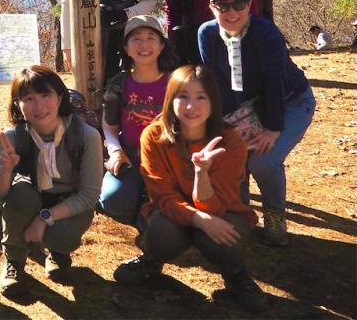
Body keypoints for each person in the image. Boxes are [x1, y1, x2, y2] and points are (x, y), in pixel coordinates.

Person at [113, 65, 268, 314]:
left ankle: (236, 274)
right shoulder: (153, 136)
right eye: (182, 97)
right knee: (162, 229)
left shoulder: (230, 141)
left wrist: (201, 173)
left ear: (213, 101)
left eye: (200, 97)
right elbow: (161, 195)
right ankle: (152, 261)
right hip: (175, 214)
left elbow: (218, 206)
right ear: (170, 100)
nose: (191, 106)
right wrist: (199, 219)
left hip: (221, 211)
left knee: (227, 236)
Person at [199, 0, 315, 246]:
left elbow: (275, 82)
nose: (231, 12)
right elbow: (215, 83)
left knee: (263, 160)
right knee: (233, 156)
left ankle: (275, 217)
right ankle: (240, 215)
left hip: (290, 102)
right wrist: (227, 127)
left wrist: (273, 128)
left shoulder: (265, 33)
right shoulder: (206, 33)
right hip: (244, 107)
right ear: (211, 8)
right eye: (222, 5)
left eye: (238, 3)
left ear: (249, 4)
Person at [0, 65, 103, 297]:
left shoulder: (86, 136)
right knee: (20, 194)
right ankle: (15, 260)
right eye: (28, 98)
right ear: (18, 105)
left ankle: (58, 253)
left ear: (60, 97)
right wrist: (6, 170)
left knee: (61, 237)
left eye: (45, 95)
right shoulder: (14, 137)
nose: (38, 106)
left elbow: (89, 195)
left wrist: (44, 219)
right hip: (33, 196)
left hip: (68, 203)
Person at [99, 15, 176, 228]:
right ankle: (140, 207)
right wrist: (115, 150)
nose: (144, 44)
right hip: (131, 157)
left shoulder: (177, 83)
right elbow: (110, 126)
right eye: (136, 38)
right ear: (125, 47)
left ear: (161, 45)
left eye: (151, 37)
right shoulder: (118, 84)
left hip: (168, 160)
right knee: (111, 199)